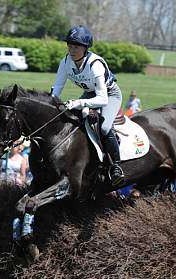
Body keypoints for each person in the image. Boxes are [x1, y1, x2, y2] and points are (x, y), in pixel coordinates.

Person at [52, 25, 125, 186]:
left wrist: (79, 103)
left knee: (105, 127)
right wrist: (49, 104)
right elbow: (56, 89)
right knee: (73, 121)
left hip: (109, 95)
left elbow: (102, 99)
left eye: (76, 46)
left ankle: (116, 167)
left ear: (85, 48)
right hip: (90, 94)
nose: (72, 50)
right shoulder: (65, 62)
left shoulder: (95, 64)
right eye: (70, 45)